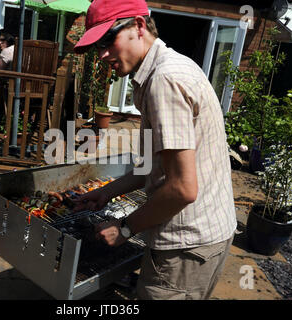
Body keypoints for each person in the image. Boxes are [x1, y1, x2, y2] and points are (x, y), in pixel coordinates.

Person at [73, 0, 237, 300]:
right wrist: (106, 192)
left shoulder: (164, 80)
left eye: (109, 39)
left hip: (185, 247)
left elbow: (183, 189)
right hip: (204, 236)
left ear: (138, 25)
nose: (103, 54)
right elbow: (150, 165)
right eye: (98, 46)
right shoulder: (159, 73)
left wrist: (124, 229)